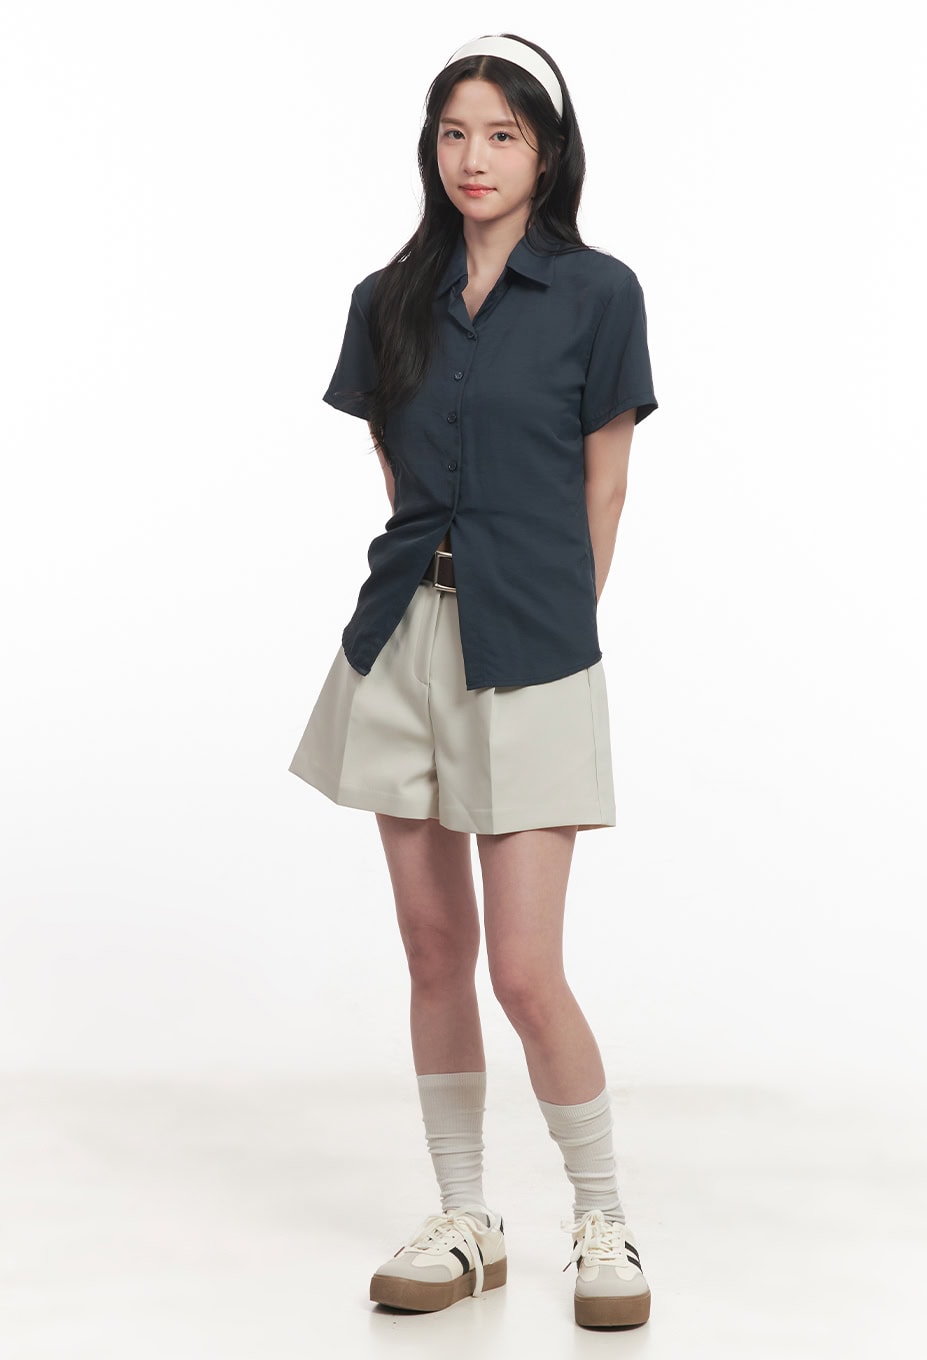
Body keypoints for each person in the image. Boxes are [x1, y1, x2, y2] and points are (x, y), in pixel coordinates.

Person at [288, 33, 658, 1330]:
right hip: (402, 639)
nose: (475, 158)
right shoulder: (388, 297)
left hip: (535, 646)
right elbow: (399, 475)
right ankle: (466, 1219)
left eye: (503, 134)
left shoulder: (600, 293)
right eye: (455, 133)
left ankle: (602, 1218)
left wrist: (553, 622)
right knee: (434, 947)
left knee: (525, 971)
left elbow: (604, 485)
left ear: (546, 153)